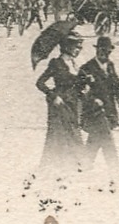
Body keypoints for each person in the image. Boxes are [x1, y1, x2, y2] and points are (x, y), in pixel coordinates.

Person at [79, 35, 119, 173]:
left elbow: (117, 84)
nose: (105, 54)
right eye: (102, 51)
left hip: (109, 109)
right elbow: (80, 91)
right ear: (97, 50)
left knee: (95, 139)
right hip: (94, 111)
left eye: (108, 52)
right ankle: (114, 169)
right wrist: (92, 99)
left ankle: (85, 164)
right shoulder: (86, 68)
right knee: (107, 140)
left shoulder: (110, 66)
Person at [36, 32, 86, 171]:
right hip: (60, 104)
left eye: (80, 47)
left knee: (74, 131)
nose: (79, 50)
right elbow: (40, 83)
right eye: (76, 47)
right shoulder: (56, 63)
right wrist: (53, 96)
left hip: (74, 103)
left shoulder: (76, 64)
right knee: (58, 135)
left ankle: (75, 165)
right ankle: (53, 166)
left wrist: (86, 83)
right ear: (67, 46)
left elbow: (79, 83)